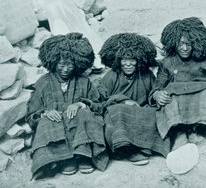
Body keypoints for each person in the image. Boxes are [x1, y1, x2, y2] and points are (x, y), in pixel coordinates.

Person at [25, 33, 108, 179]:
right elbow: (32, 114)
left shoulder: (84, 81)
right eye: (61, 65)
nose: (66, 69)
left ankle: (83, 156)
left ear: (77, 63)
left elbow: (99, 105)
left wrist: (80, 104)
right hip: (56, 123)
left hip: (78, 123)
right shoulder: (43, 82)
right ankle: (64, 159)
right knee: (47, 121)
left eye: (70, 64)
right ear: (53, 62)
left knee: (85, 114)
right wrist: (45, 112)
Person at [150, 17, 206, 150]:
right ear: (174, 44)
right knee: (169, 96)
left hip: (199, 104)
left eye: (189, 44)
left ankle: (201, 128)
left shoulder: (203, 61)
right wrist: (157, 95)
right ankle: (180, 133)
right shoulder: (167, 62)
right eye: (180, 44)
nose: (185, 48)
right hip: (178, 104)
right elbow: (158, 86)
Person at [94, 33, 171, 165]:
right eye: (124, 60)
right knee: (119, 111)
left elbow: (153, 92)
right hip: (118, 113)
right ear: (118, 60)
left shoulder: (146, 75)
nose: (128, 64)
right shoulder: (112, 76)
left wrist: (156, 97)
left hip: (139, 112)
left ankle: (145, 147)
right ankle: (127, 150)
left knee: (154, 113)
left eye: (132, 60)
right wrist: (123, 100)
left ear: (139, 60)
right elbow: (100, 99)